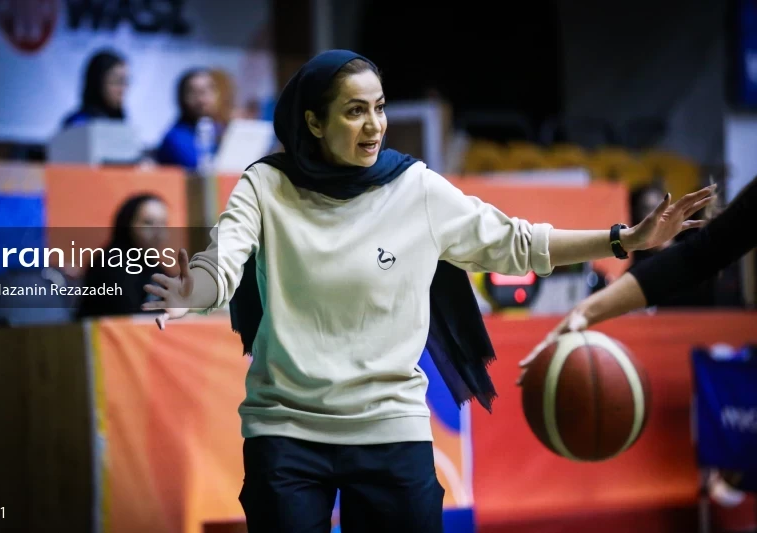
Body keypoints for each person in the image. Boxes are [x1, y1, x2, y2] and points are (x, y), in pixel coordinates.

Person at [140, 50, 713, 532]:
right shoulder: (265, 185)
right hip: (287, 430)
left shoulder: (413, 187)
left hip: (391, 426)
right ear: (314, 123)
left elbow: (515, 244)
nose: (374, 126)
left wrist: (622, 239)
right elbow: (227, 258)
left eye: (380, 109)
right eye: (354, 112)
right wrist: (196, 290)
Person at [518, 174, 755, 382]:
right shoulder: (652, 267)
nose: (659, 216)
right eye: (647, 209)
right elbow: (692, 259)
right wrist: (585, 312)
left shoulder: (708, 279)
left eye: (660, 204)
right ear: (635, 217)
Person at [76, 194, 169, 318]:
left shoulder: (153, 267)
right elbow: (127, 314)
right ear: (128, 224)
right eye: (148, 223)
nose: (158, 231)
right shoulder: (111, 263)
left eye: (163, 223)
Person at [155, 68, 226, 169]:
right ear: (182, 98)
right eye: (195, 92)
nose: (203, 99)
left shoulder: (219, 131)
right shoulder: (175, 138)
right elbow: (199, 170)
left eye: (208, 90)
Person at [62, 50, 129, 128]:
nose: (123, 89)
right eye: (117, 81)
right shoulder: (78, 123)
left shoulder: (120, 122)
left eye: (125, 81)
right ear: (97, 82)